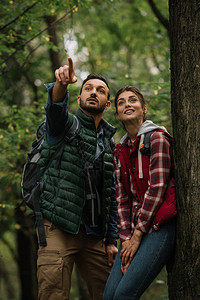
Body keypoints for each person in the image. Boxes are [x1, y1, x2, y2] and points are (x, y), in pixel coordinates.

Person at [37, 57, 118, 300]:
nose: (94, 93)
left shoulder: (109, 142)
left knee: (112, 294)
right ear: (80, 97)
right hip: (58, 227)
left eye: (100, 91)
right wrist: (61, 84)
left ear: (108, 104)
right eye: (88, 89)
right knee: (53, 294)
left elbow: (110, 194)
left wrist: (111, 239)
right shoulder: (63, 126)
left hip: (95, 236)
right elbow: (55, 108)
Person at [103, 86, 176, 300]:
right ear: (117, 113)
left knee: (124, 294)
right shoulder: (120, 149)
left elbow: (157, 188)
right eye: (121, 102)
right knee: (109, 296)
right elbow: (121, 199)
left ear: (143, 108)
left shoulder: (157, 139)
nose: (127, 104)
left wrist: (136, 236)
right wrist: (125, 239)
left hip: (158, 228)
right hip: (133, 233)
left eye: (133, 100)